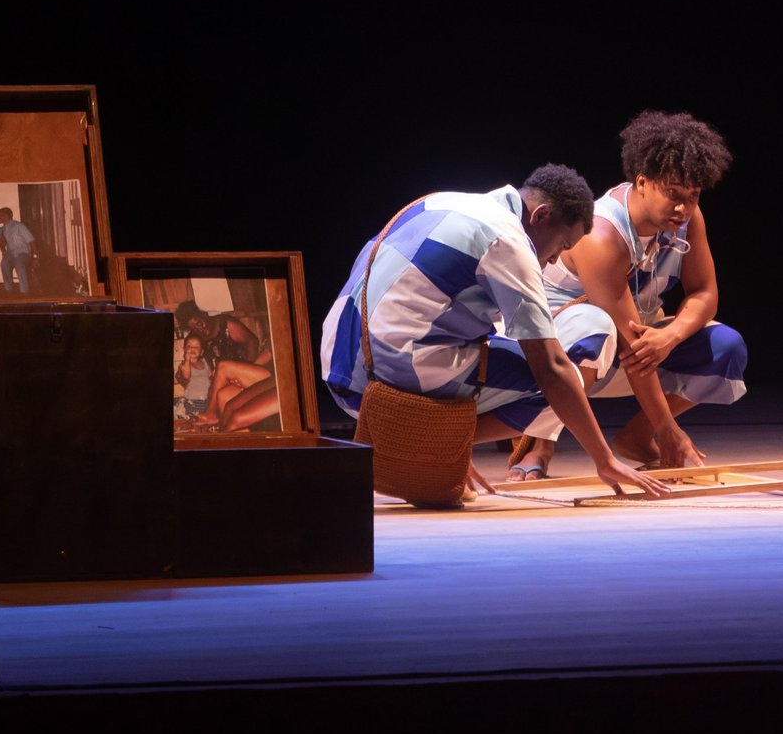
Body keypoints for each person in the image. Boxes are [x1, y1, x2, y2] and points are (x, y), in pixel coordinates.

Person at [319, 164, 669, 501]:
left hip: (340, 368)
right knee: (572, 371)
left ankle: (441, 444)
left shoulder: (443, 200)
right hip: (385, 379)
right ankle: (438, 447)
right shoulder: (508, 242)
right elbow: (551, 369)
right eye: (562, 245)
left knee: (511, 344)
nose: (552, 261)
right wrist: (604, 460)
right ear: (541, 216)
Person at [507, 111, 746, 480]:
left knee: (726, 347)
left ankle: (636, 436)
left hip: (634, 340)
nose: (684, 207)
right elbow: (631, 347)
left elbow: (704, 293)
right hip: (566, 347)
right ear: (642, 182)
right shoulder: (602, 236)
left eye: (693, 196)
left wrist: (672, 334)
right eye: (673, 194)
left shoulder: (688, 220)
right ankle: (540, 444)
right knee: (593, 332)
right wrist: (670, 430)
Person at [0, 206, 37, 294]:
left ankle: (24, 291)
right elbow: (2, 242)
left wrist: (35, 256)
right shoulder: (2, 229)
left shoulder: (18, 225)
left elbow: (32, 240)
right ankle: (8, 288)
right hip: (11, 252)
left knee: (19, 263)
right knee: (4, 263)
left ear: (6, 216)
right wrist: (3, 249)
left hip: (24, 252)